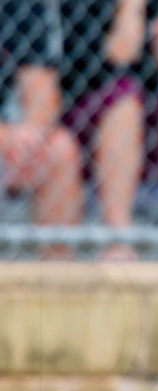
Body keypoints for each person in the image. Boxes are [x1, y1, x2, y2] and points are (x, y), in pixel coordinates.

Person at [59, 0, 158, 259]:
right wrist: (131, 8)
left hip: (150, 134)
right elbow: (117, 56)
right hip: (90, 128)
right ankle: (117, 240)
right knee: (125, 97)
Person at [0, 0, 83, 236]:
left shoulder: (20, 6)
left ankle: (56, 269)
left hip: (10, 139)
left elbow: (41, 87)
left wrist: (28, 138)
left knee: (60, 149)